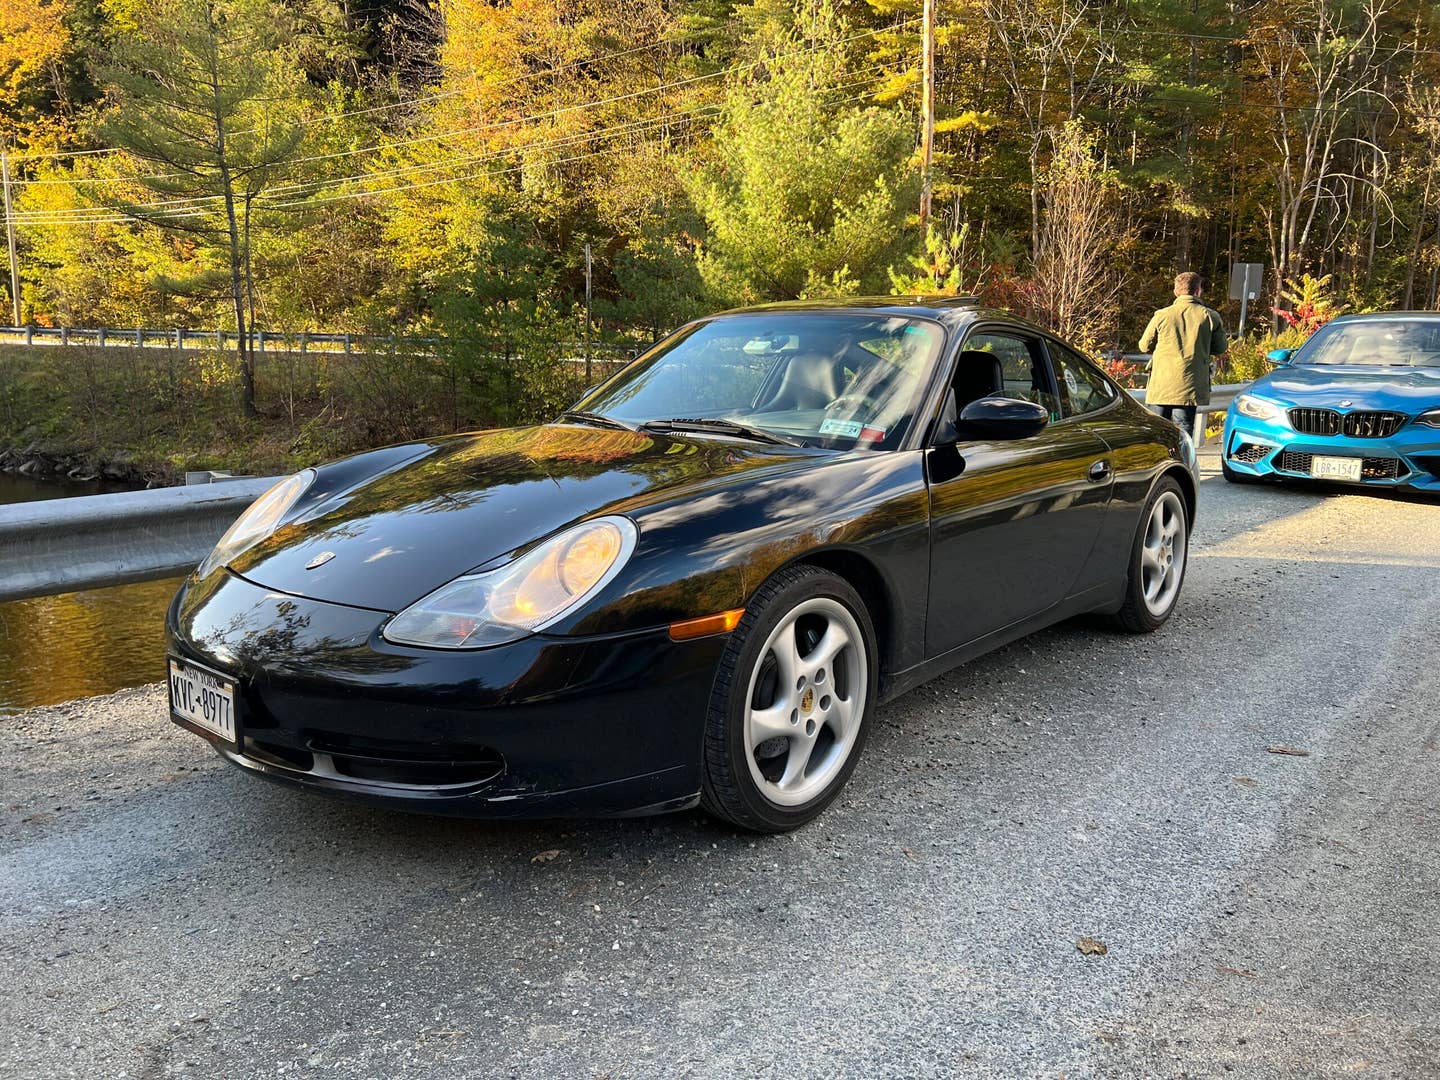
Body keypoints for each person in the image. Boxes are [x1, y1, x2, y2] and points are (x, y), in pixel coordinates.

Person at [1139, 271, 1229, 429]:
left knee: (1159, 431)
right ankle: (1182, 454)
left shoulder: (1162, 315)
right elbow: (1220, 347)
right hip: (1190, 385)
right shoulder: (1209, 316)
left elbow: (1144, 346)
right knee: (1184, 430)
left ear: (1176, 291)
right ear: (1197, 290)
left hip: (1161, 384)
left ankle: (1163, 454)